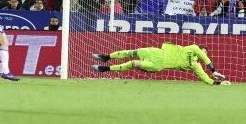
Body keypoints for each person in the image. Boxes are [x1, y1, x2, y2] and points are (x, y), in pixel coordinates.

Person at [92, 43, 230, 85]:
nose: (203, 54)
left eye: (205, 53)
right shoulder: (192, 48)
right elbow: (201, 54)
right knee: (131, 52)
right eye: (203, 51)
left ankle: (105, 69)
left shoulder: (196, 66)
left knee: (132, 63)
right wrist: (213, 69)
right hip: (157, 52)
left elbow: (206, 80)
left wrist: (218, 82)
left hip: (158, 65)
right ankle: (106, 57)